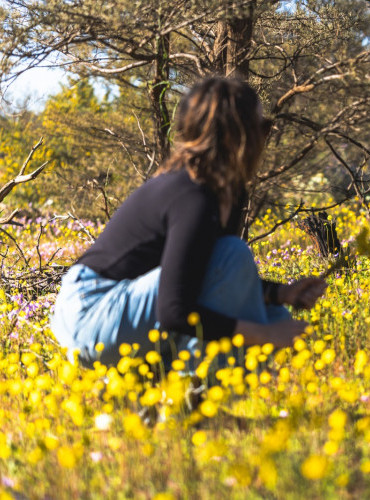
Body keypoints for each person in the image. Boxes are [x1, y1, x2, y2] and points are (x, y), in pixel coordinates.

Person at [51, 76, 327, 368]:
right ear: (237, 136)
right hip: (90, 314)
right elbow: (175, 311)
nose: (266, 137)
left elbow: (202, 277)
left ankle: (191, 400)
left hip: (123, 310)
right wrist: (264, 334)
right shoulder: (193, 196)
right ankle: (201, 396)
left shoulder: (226, 194)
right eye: (262, 127)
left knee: (276, 315)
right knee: (241, 273)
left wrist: (280, 294)